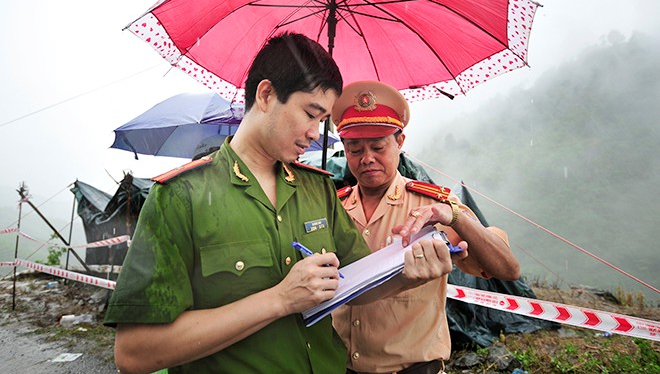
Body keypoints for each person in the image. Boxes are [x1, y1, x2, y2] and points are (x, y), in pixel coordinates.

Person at [105, 33, 455, 374]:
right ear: (267, 94)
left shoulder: (317, 190)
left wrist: (408, 274)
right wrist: (280, 300)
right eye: (310, 113)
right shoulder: (182, 197)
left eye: (322, 121)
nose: (316, 133)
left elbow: (356, 284)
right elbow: (135, 352)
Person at [330, 80, 521, 374]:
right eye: (354, 148)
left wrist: (455, 217)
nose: (366, 158)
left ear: (400, 142)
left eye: (378, 146)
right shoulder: (333, 207)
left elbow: (507, 269)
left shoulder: (432, 206)